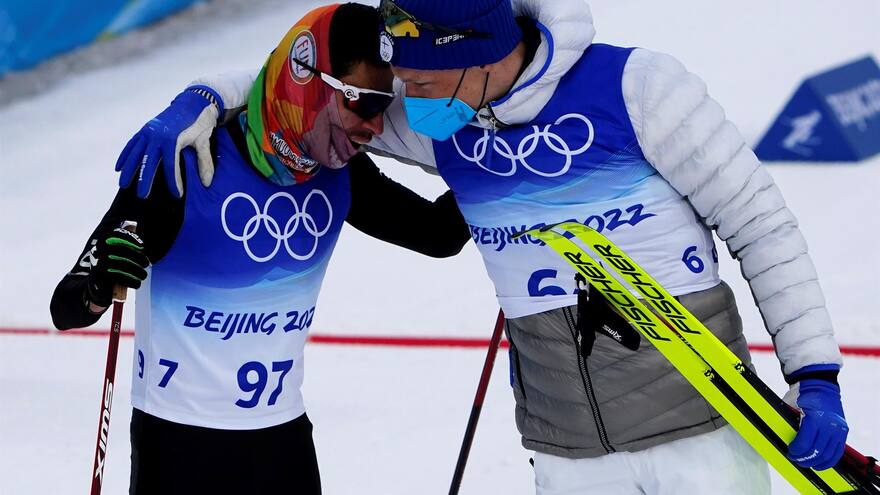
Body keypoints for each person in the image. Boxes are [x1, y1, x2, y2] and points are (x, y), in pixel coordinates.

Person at [116, 0, 851, 493]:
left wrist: (813, 371)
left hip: (702, 435)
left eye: (424, 81)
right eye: (405, 85)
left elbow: (761, 223)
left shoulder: (640, 89)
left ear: (479, 53)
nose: (410, 101)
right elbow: (309, 85)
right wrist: (206, 97)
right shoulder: (449, 119)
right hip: (569, 457)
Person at [50, 4, 470, 494]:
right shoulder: (189, 164)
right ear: (309, 84)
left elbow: (440, 235)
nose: (376, 128)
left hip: (282, 443)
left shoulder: (341, 175)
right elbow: (67, 305)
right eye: (363, 104)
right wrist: (99, 287)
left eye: (383, 107)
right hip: (179, 448)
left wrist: (511, 162)